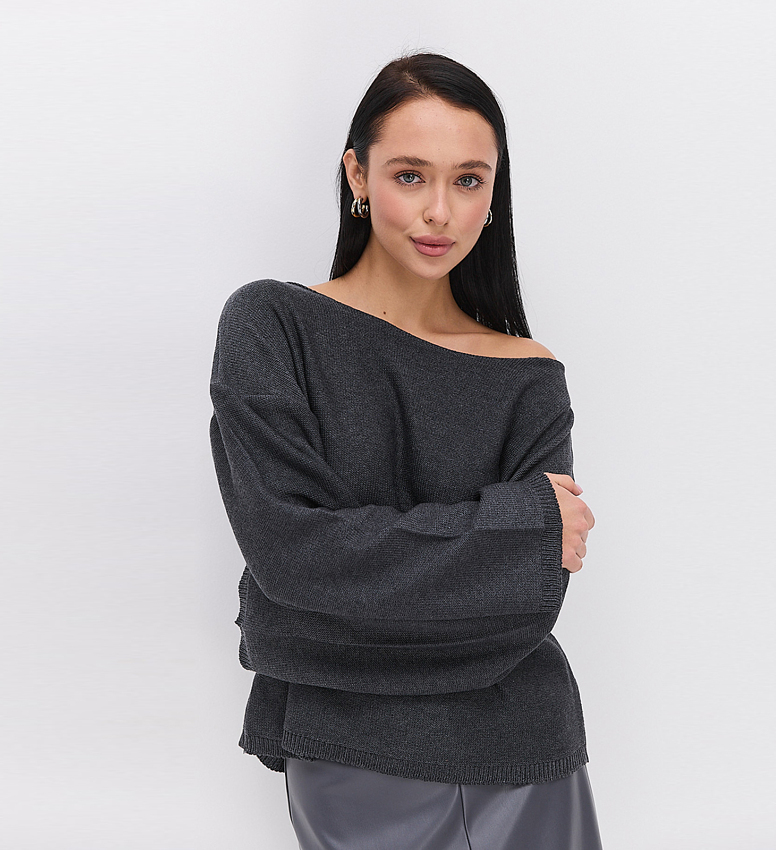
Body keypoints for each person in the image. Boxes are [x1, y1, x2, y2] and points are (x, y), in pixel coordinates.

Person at [209, 52, 602, 850]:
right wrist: (519, 529)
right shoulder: (273, 325)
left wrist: (334, 604)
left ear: (494, 192)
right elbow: (292, 556)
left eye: (469, 180)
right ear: (357, 175)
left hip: (526, 747)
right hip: (350, 753)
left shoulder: (529, 375)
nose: (440, 212)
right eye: (411, 175)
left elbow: (532, 603)